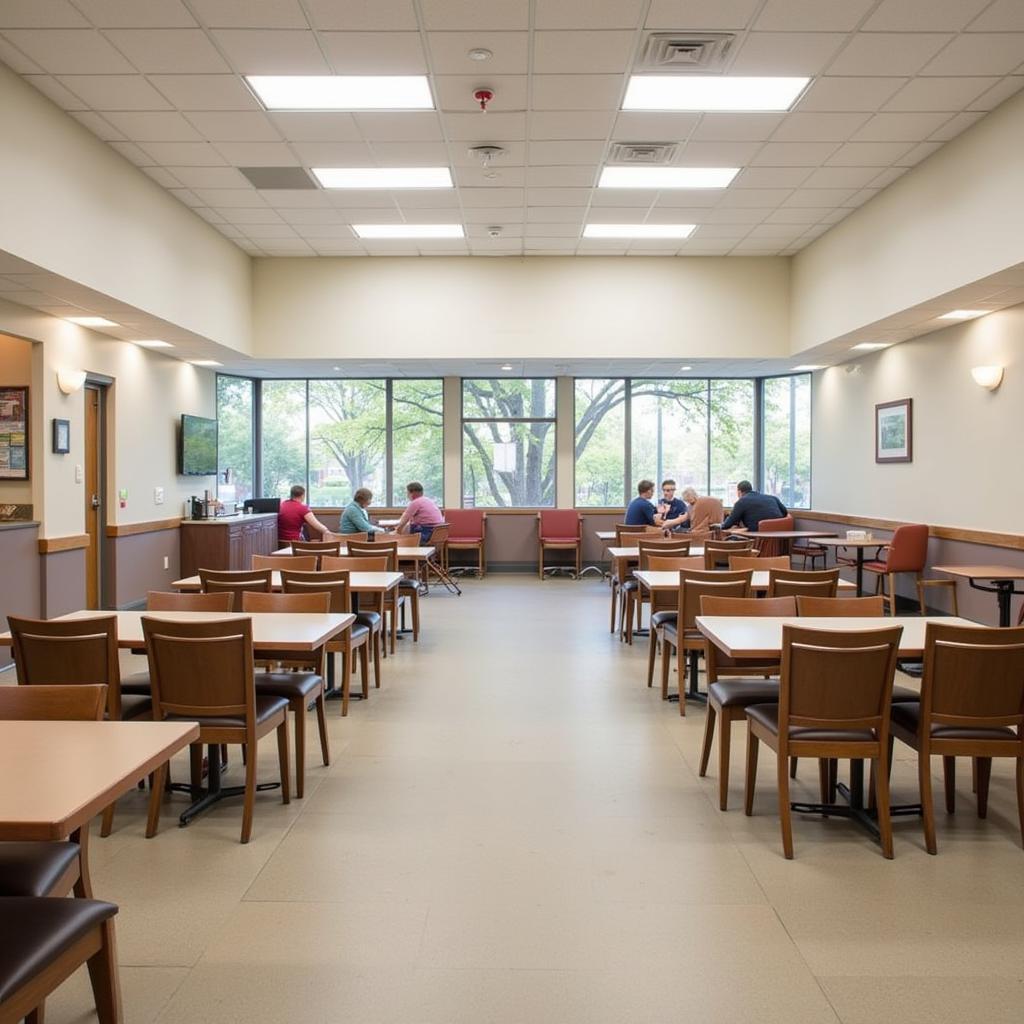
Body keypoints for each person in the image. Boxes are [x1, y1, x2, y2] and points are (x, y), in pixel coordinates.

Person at [720, 480, 787, 533]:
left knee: (731, 537)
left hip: (758, 536)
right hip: (779, 536)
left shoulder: (741, 501)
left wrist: (720, 526)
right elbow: (785, 512)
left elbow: (728, 524)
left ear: (739, 492)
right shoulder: (772, 498)